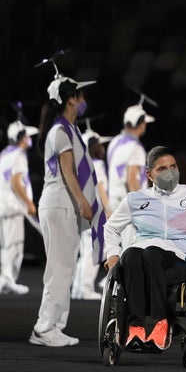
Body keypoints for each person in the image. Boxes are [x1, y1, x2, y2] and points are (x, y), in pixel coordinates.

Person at [103, 146, 186, 349]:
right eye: (162, 169)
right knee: (129, 254)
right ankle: (135, 328)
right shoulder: (136, 199)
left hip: (179, 257)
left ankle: (161, 324)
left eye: (173, 166)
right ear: (149, 175)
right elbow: (111, 228)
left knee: (151, 254)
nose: (170, 172)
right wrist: (113, 253)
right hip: (140, 257)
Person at [31, 70, 101, 348]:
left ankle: (56, 325)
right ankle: (44, 327)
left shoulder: (69, 129)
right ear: (71, 99)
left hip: (62, 204)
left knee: (64, 268)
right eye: (81, 96)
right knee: (60, 269)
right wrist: (84, 202)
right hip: (60, 203)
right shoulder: (60, 131)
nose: (84, 100)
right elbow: (68, 171)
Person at [0, 120, 36, 295]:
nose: (29, 139)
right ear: (20, 138)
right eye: (26, 136)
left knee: (6, 244)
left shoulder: (5, 153)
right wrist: (29, 203)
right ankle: (7, 279)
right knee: (14, 245)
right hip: (11, 203)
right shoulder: (19, 155)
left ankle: (5, 280)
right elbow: (16, 182)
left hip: (0, 202)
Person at [72, 127, 111, 300]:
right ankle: (86, 288)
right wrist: (108, 209)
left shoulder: (80, 164)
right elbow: (100, 188)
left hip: (82, 210)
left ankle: (78, 288)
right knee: (93, 250)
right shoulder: (98, 164)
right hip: (95, 210)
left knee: (84, 250)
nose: (102, 147)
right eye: (99, 144)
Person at [107, 103, 152, 247]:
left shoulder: (114, 142)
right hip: (129, 205)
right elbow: (132, 178)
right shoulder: (136, 148)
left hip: (114, 201)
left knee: (117, 251)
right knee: (131, 249)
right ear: (140, 124)